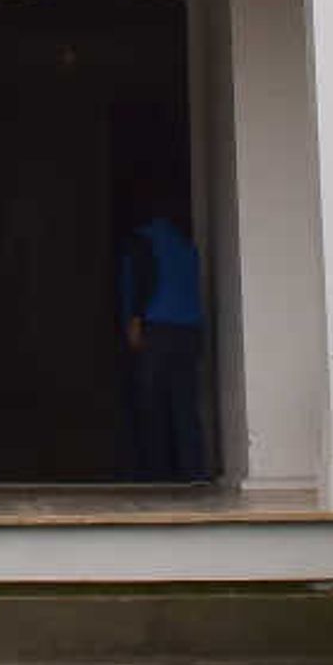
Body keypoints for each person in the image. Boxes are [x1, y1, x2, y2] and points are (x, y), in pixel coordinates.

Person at [118, 191, 209, 484]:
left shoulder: (142, 240)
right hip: (189, 330)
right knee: (185, 404)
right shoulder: (186, 244)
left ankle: (154, 473)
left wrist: (134, 319)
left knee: (150, 404)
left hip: (156, 328)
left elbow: (141, 280)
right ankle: (193, 471)